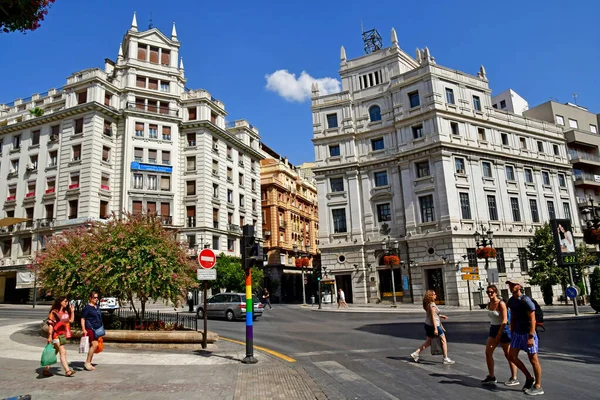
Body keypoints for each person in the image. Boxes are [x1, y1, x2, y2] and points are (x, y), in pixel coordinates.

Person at [506, 281, 543, 395]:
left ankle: (538, 385)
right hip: (517, 332)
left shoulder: (526, 300)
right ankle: (529, 377)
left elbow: (532, 319)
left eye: (514, 284)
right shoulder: (511, 301)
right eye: (510, 284)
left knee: (533, 359)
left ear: (520, 286)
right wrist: (512, 332)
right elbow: (512, 317)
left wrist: (531, 337)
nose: (511, 286)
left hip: (528, 332)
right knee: (512, 356)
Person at [481, 284, 519, 386]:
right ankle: (491, 376)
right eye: (488, 292)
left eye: (491, 292)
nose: (489, 294)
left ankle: (514, 377)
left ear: (496, 292)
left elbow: (505, 320)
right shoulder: (489, 304)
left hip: (503, 330)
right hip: (493, 329)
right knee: (488, 353)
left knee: (508, 355)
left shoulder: (501, 304)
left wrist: (499, 333)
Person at [410, 290, 455, 365]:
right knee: (443, 340)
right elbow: (433, 318)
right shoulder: (432, 305)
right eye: (434, 294)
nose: (435, 295)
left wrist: (441, 316)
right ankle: (445, 358)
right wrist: (436, 328)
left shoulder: (428, 304)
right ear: (430, 296)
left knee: (428, 342)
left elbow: (432, 314)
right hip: (434, 325)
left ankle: (416, 353)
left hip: (427, 325)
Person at [43, 296, 76, 377]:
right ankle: (67, 371)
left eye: (67, 301)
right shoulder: (54, 312)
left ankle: (46, 370)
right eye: (65, 301)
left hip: (62, 336)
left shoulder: (65, 312)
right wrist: (50, 336)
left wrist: (72, 312)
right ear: (60, 302)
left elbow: (71, 321)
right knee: (63, 351)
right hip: (55, 335)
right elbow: (51, 324)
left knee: (54, 353)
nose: (66, 303)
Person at [81, 291, 103, 371]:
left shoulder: (97, 306)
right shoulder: (87, 307)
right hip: (90, 328)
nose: (96, 299)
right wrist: (83, 329)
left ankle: (89, 362)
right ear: (90, 298)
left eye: (97, 297)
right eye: (94, 297)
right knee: (94, 344)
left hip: (97, 329)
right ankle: (87, 363)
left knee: (94, 345)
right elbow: (83, 318)